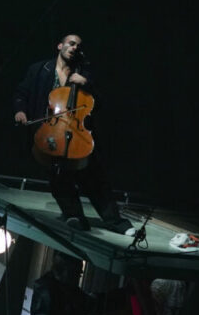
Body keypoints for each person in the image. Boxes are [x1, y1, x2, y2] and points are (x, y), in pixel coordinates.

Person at [11, 32, 132, 234]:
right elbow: (21, 93)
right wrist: (20, 111)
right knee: (57, 176)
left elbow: (98, 104)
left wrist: (86, 84)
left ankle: (116, 222)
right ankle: (74, 215)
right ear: (60, 46)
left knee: (94, 178)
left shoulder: (84, 73)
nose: (74, 47)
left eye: (78, 46)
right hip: (49, 130)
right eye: (71, 43)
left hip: (77, 132)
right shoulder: (39, 69)